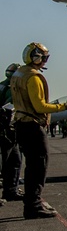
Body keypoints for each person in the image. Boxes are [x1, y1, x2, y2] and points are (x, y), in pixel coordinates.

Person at [9, 43, 67, 219]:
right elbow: (40, 106)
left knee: (32, 165)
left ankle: (32, 205)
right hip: (32, 126)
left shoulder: (18, 74)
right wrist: (65, 106)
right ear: (36, 57)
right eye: (44, 57)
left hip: (20, 124)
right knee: (38, 166)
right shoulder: (33, 77)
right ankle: (34, 206)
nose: (45, 61)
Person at [1, 63, 24, 202]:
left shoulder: (3, 86)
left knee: (14, 160)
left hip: (8, 130)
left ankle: (11, 191)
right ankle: (10, 190)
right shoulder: (12, 89)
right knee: (8, 162)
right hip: (5, 130)